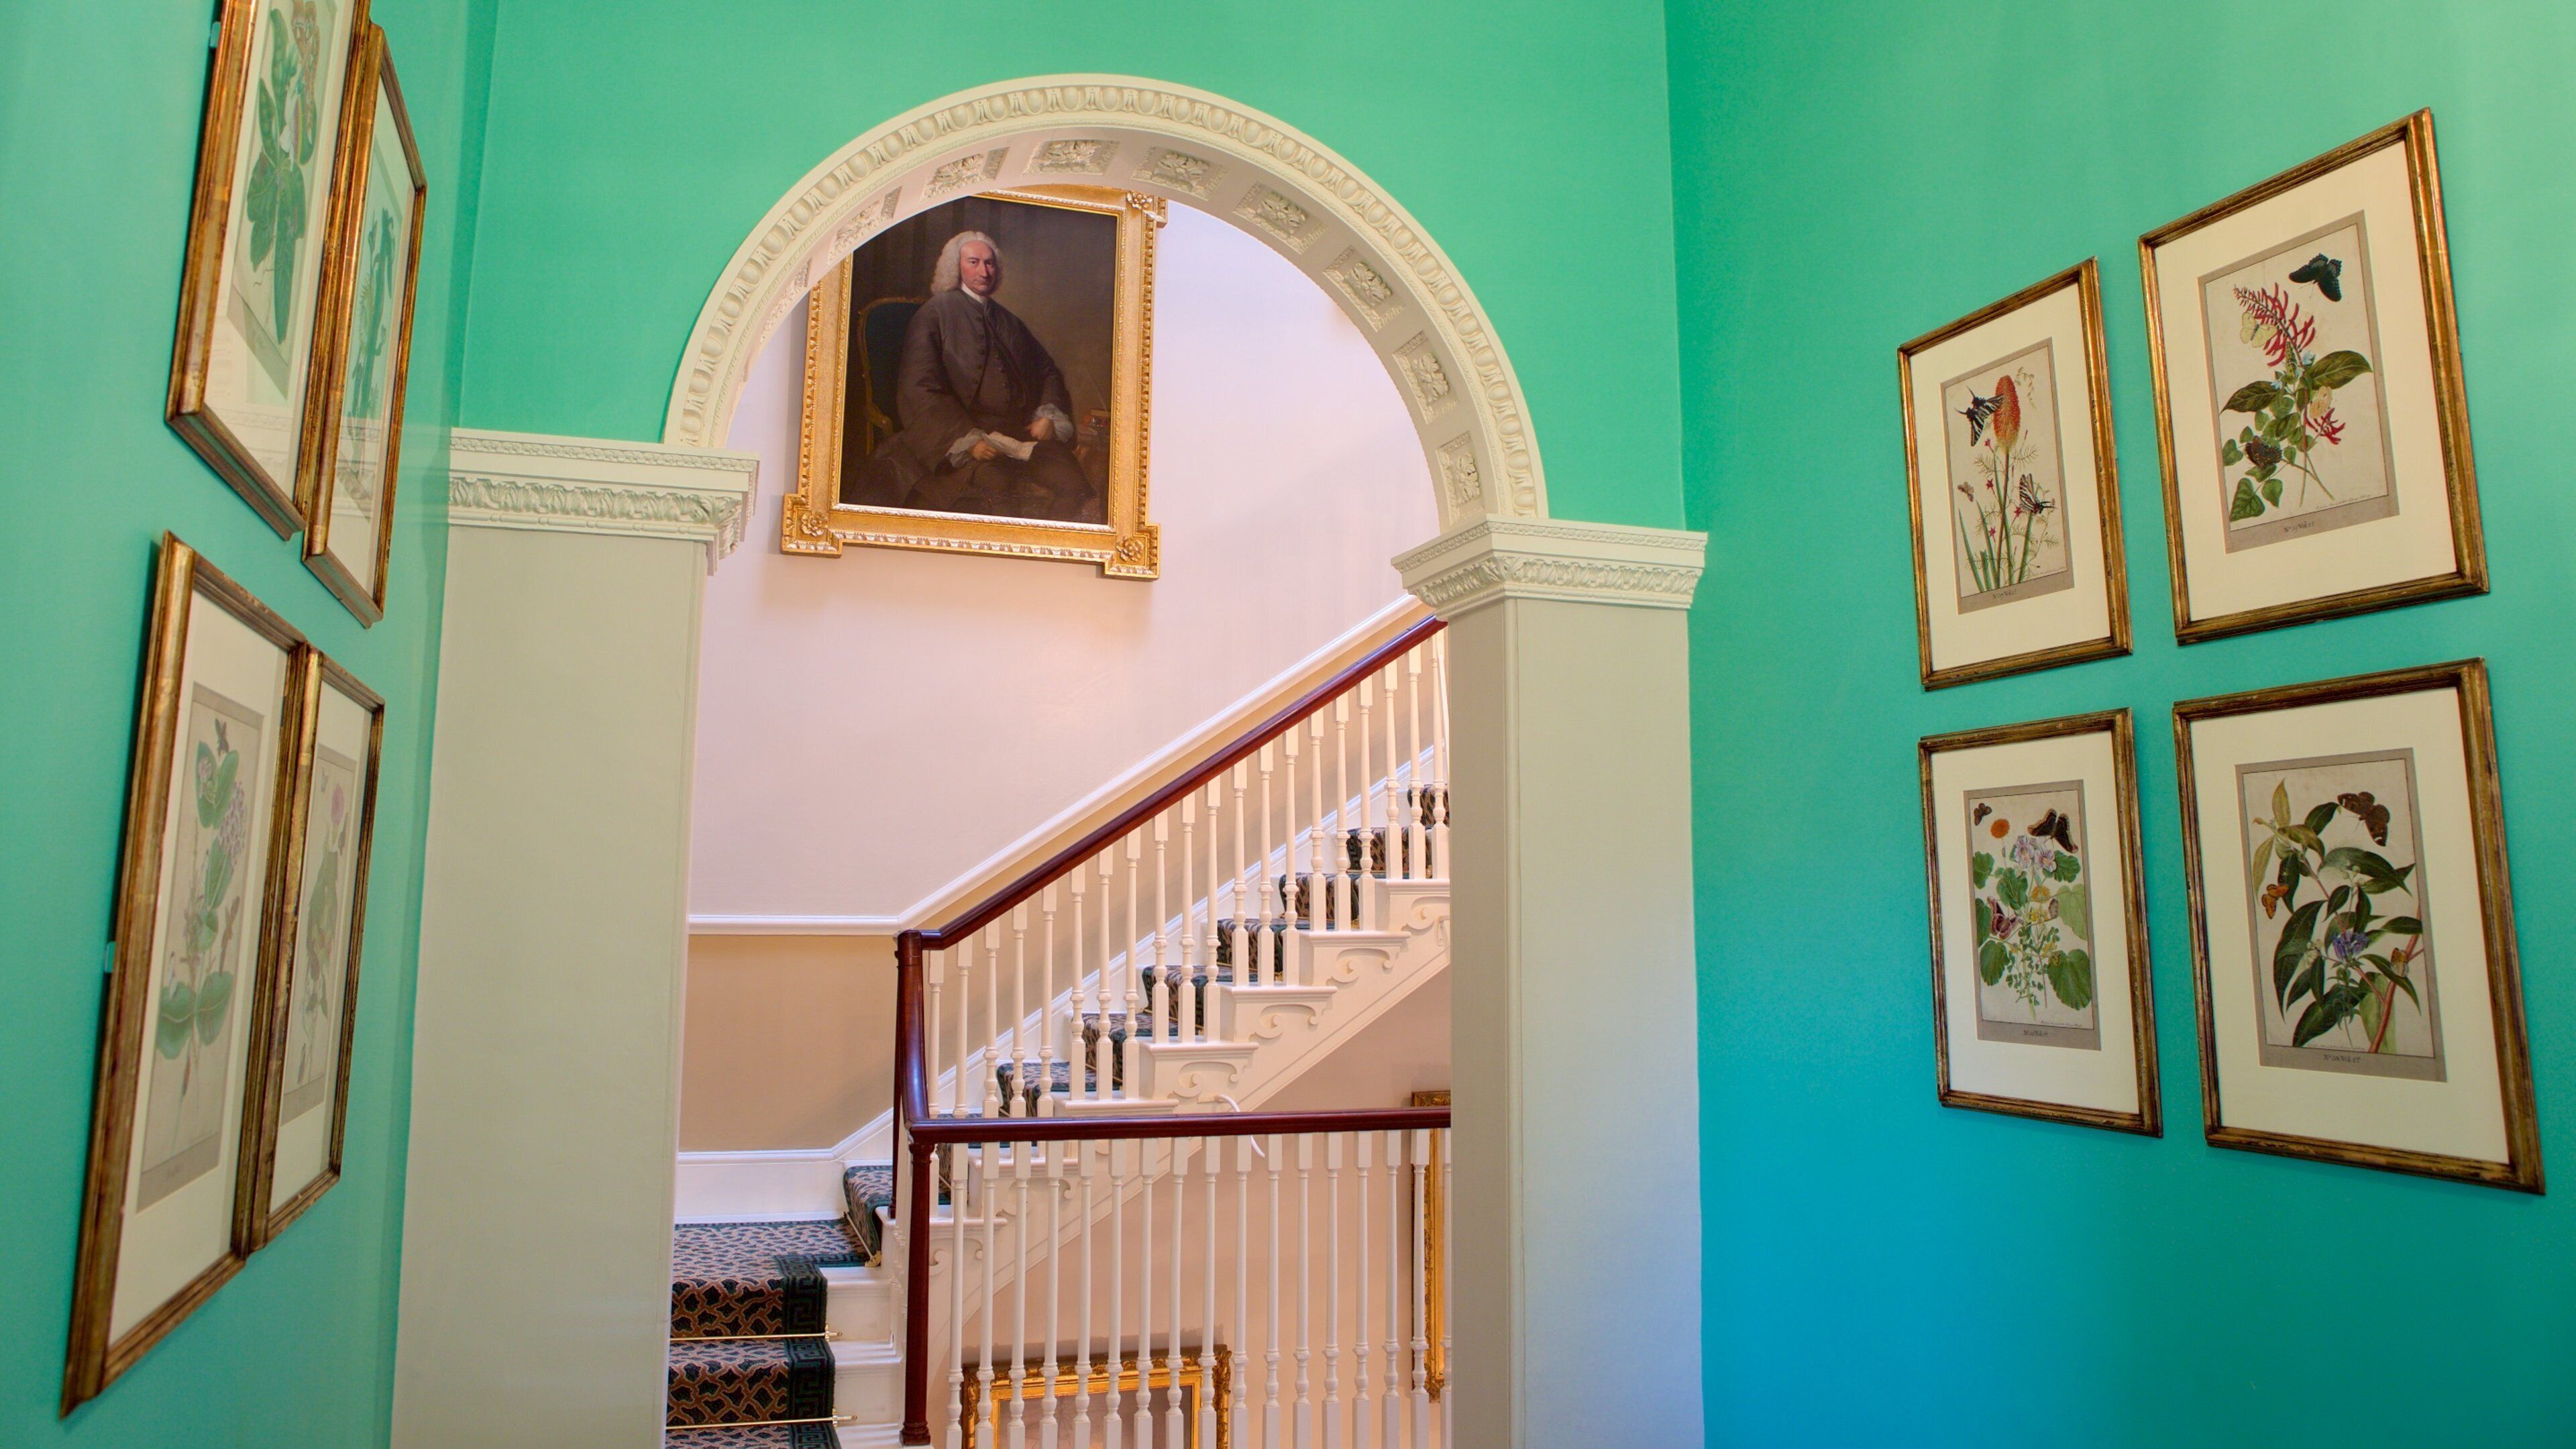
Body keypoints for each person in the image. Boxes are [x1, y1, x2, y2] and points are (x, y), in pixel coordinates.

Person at [843, 230, 1100, 521]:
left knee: (1075, 485)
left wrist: (1048, 417)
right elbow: (920, 388)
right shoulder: (935, 313)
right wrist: (967, 442)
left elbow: (1046, 370)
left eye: (990, 264)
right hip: (957, 438)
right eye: (974, 262)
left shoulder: (1007, 320)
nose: (984, 271)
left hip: (1018, 439)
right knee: (999, 492)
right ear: (956, 267)